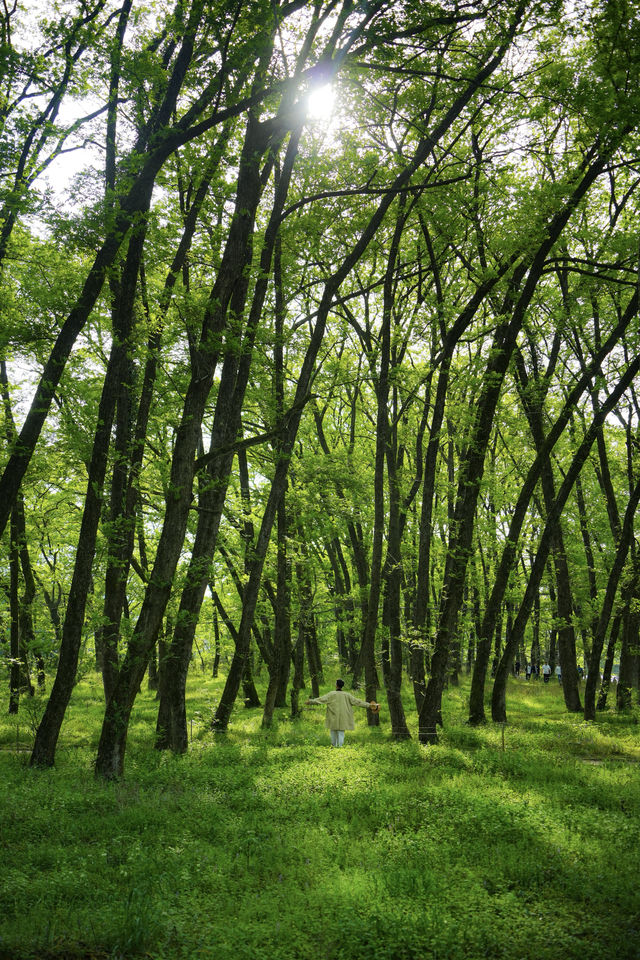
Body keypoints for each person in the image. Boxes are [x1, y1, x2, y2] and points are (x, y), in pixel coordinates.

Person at [306, 679, 378, 747]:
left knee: (333, 732)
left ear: (336, 685)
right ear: (342, 686)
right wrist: (369, 705)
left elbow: (320, 699)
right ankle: (339, 748)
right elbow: (358, 702)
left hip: (333, 717)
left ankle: (334, 747)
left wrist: (310, 701)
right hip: (344, 717)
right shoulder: (347, 695)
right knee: (341, 733)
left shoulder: (331, 694)